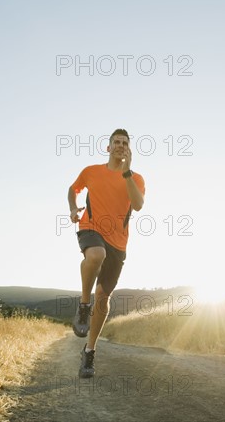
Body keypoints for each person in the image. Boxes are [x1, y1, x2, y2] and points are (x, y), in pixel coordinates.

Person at [68, 129, 146, 378]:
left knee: (103, 297)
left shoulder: (136, 178)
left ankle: (89, 352)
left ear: (129, 150)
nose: (121, 146)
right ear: (108, 147)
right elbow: (73, 189)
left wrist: (128, 173)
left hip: (119, 243)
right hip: (90, 229)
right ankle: (83, 304)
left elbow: (138, 205)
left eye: (125, 143)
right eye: (117, 142)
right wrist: (72, 209)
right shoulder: (91, 171)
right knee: (95, 255)